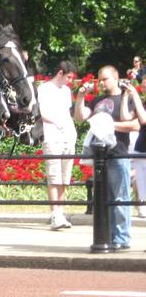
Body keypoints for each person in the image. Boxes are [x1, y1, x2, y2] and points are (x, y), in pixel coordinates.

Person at [75, 66, 140, 251]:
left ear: (115, 77)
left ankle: (121, 237)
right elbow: (80, 117)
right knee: (103, 198)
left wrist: (110, 125)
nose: (102, 83)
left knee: (120, 198)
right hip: (99, 157)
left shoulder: (124, 98)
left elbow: (135, 124)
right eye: (100, 79)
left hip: (118, 153)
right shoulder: (98, 100)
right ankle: (108, 236)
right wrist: (80, 97)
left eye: (105, 79)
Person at [37, 61, 77, 230]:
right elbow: (41, 112)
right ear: (60, 73)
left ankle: (60, 212)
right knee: (54, 177)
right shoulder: (44, 89)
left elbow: (68, 112)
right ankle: (55, 214)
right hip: (52, 136)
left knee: (64, 177)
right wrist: (56, 122)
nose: (70, 80)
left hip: (67, 135)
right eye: (68, 76)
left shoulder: (67, 91)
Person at [120, 81, 146, 219]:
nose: (143, 88)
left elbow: (143, 119)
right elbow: (125, 117)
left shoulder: (141, 103)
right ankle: (142, 207)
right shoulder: (143, 104)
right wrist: (125, 97)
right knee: (139, 183)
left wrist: (135, 95)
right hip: (140, 149)